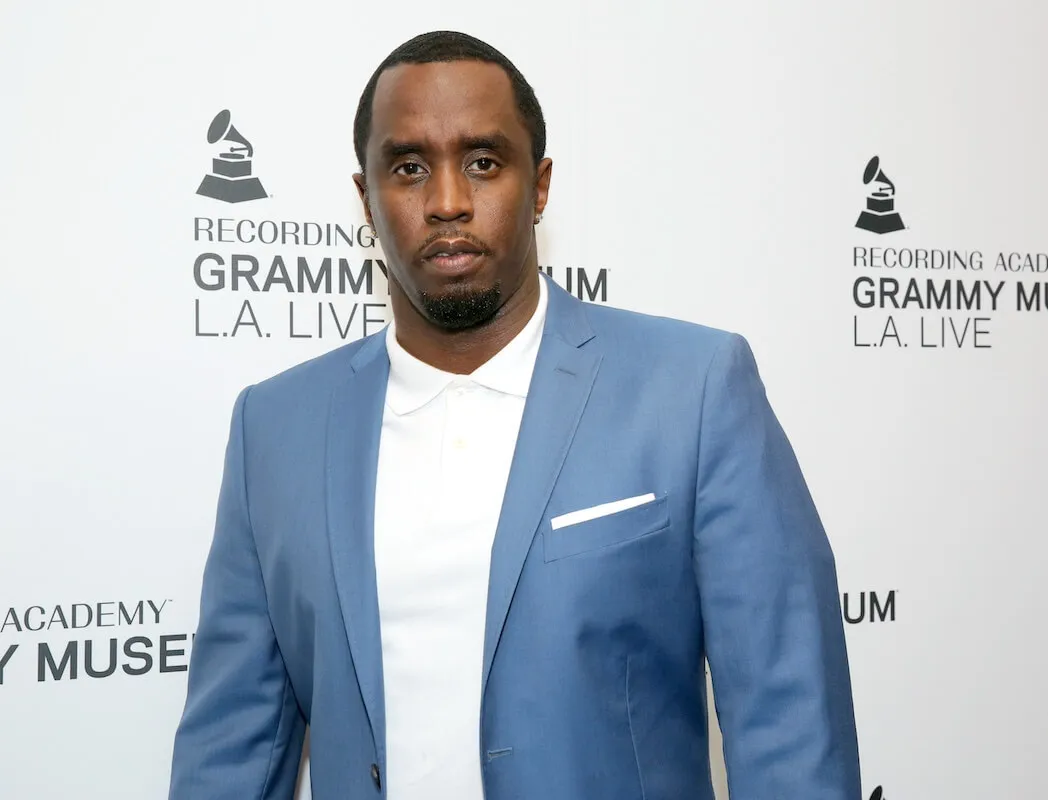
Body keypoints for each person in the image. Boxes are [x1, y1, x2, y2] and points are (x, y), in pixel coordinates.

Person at [168, 30, 860, 800]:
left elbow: (788, 720)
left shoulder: (692, 390)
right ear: (365, 200)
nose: (448, 201)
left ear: (539, 187)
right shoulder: (274, 428)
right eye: (408, 168)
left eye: (484, 162)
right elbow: (230, 747)